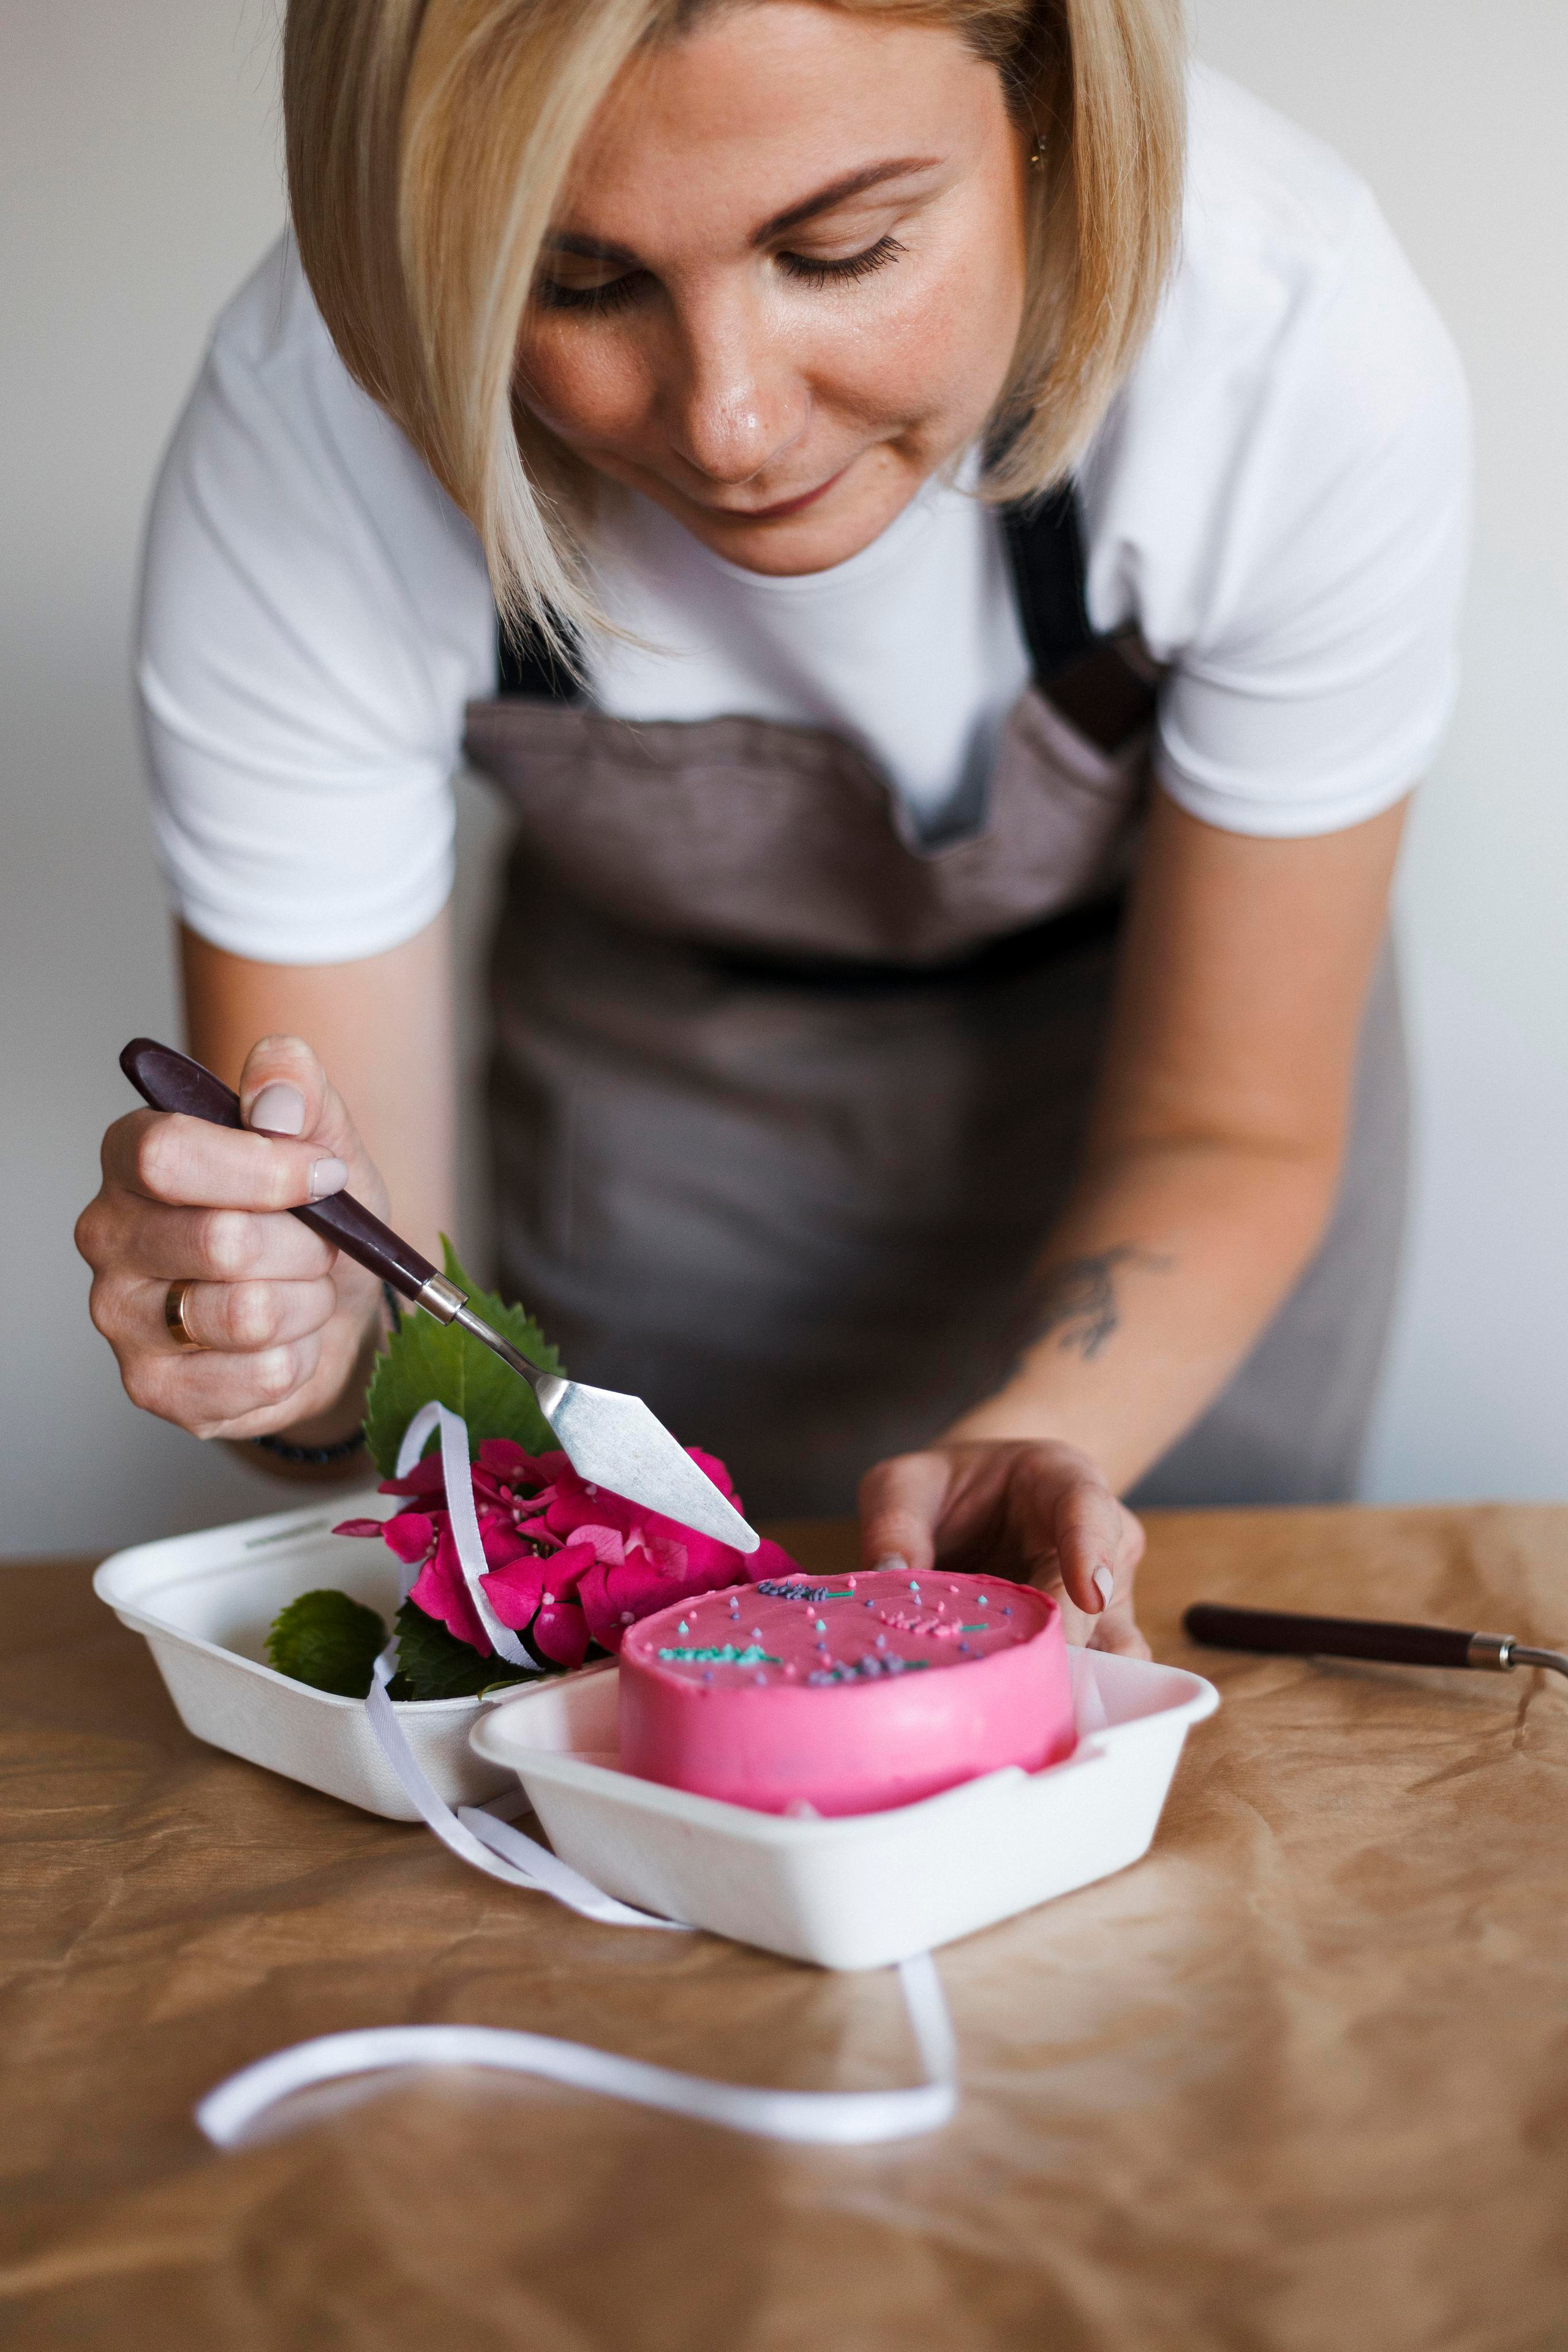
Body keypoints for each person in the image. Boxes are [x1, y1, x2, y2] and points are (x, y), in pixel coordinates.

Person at [76, 0, 1469, 1657]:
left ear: (1053, 116)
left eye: (843, 250)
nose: (727, 422)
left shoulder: (1283, 332)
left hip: (1176, 1124)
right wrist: (293, 1358)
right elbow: (371, 1280)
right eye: (580, 282)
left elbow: (1232, 1122)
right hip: (661, 1121)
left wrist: (1056, 1431)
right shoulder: (310, 440)